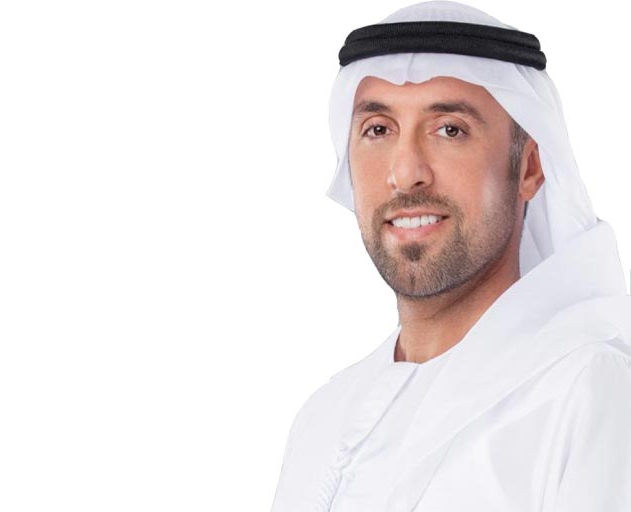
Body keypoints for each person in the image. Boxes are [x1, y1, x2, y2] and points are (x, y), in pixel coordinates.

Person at [270, 2, 631, 511]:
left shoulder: (589, 392)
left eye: (449, 129)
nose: (405, 173)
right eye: (378, 129)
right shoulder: (320, 419)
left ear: (529, 168)